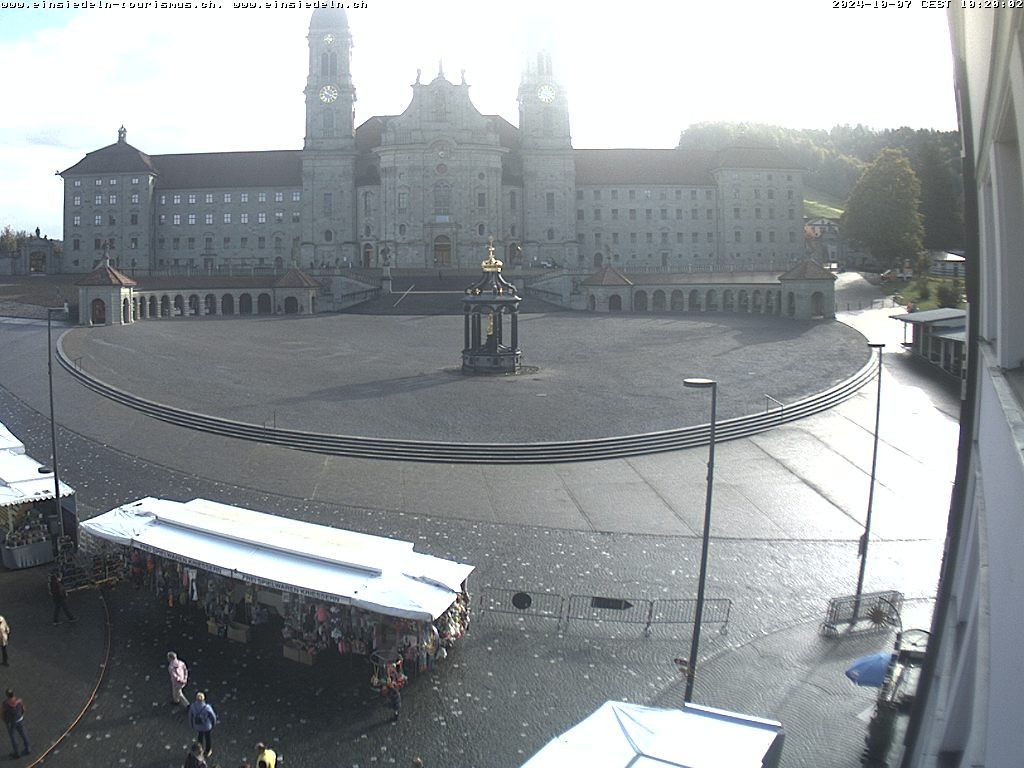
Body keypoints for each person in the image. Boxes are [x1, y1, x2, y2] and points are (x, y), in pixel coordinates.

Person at [188, 692, 217, 757]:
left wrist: (192, 725)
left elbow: (190, 716)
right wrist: (213, 724)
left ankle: (199, 750)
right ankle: (208, 750)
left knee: (200, 737)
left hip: (198, 726)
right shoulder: (207, 707)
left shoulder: (193, 706)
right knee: (208, 738)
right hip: (207, 726)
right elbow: (213, 716)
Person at [2, 688, 29, 758]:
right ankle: (28, 748)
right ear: (13, 694)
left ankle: (17, 753)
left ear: (7, 695)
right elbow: (23, 709)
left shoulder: (5, 704)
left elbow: (2, 713)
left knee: (13, 737)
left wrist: (5, 720)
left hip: (11, 723)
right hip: (20, 720)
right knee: (23, 734)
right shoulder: (19, 701)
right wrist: (22, 715)